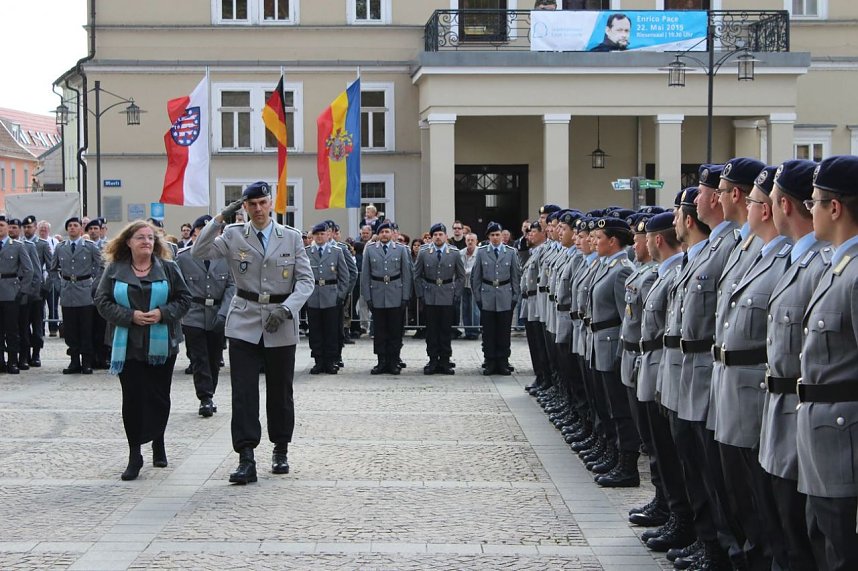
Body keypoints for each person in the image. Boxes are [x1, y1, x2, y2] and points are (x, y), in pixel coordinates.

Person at [192, 181, 313, 485]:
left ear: (271, 203)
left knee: (280, 391)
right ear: (243, 207)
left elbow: (305, 282)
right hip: (244, 321)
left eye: (262, 203)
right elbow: (199, 251)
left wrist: (287, 309)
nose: (258, 209)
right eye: (251, 204)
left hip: (280, 319)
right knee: (243, 393)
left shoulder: (292, 237)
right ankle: (246, 456)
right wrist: (219, 218)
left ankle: (280, 448)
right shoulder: (233, 235)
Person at [758, 160, 823, 571]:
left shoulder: (823, 266)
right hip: (778, 412)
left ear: (783, 205)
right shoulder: (796, 260)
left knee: (801, 535)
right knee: (780, 524)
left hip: (806, 418)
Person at [797, 155, 858, 569]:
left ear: (834, 208)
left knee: (842, 554)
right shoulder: (837, 266)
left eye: (814, 202)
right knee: (823, 545)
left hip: (844, 445)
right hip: (821, 439)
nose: (810, 210)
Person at [95, 220, 190, 481]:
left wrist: (162, 313)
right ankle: (135, 453)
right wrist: (129, 316)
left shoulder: (168, 268)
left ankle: (157, 439)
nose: (146, 242)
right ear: (128, 242)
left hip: (162, 344)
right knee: (134, 398)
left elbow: (184, 299)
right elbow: (101, 300)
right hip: (128, 345)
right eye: (140, 237)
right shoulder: (115, 269)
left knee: (159, 396)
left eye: (150, 238)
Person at [176, 215, 234, 418]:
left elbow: (232, 286)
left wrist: (225, 311)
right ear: (195, 233)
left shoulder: (226, 258)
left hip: (217, 312)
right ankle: (205, 397)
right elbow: (179, 287)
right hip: (194, 314)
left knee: (214, 357)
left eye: (215, 231)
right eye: (203, 230)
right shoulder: (183, 257)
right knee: (199, 357)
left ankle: (210, 392)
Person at [51, 217, 102, 374]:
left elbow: (100, 266)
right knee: (71, 328)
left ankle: (87, 362)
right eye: (70, 226)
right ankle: (74, 361)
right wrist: (59, 285)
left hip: (85, 290)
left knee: (86, 328)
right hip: (67, 291)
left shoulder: (90, 246)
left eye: (75, 226)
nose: (72, 228)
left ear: (81, 229)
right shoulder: (60, 247)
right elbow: (53, 269)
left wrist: (93, 284)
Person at [361, 220, 413, 375]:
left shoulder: (401, 249)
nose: (384, 235)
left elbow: (407, 275)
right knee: (380, 331)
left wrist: (405, 296)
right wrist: (368, 297)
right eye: (382, 232)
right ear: (378, 234)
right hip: (377, 294)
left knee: (395, 330)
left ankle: (394, 360)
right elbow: (365, 275)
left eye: (387, 232)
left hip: (395, 293)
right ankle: (381, 361)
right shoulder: (370, 250)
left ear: (392, 234)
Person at [471, 221, 520, 375]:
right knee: (489, 332)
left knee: (504, 332)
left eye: (497, 234)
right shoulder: (482, 252)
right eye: (492, 235)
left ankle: (503, 361)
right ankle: (490, 361)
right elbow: (475, 277)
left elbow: (516, 276)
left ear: (502, 236)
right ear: (488, 237)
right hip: (487, 296)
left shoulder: (510, 252)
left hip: (505, 296)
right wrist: (478, 297)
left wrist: (514, 297)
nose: (495, 238)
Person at [415, 223, 464, 374]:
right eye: (435, 235)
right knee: (431, 330)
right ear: (431, 237)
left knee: (445, 330)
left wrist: (456, 293)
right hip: (430, 294)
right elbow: (417, 275)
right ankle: (432, 360)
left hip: (447, 294)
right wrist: (421, 294)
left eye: (440, 234)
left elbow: (461, 276)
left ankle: (445, 360)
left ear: (445, 236)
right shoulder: (424, 252)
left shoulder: (454, 253)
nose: (438, 237)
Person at [306, 222, 349, 374]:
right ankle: (318, 360)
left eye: (322, 234)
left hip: (331, 296)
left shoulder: (336, 252)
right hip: (313, 296)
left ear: (327, 235)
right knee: (315, 331)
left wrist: (341, 295)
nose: (319, 237)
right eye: (316, 234)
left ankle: (331, 361)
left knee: (331, 331)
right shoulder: (307, 252)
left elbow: (345, 276)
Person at [0, 216, 34, 374]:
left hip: (11, 291)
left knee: (12, 329)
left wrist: (23, 291)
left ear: (7, 228)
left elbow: (29, 270)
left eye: (2, 225)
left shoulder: (17, 246)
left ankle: (13, 361)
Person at [7, 219, 41, 371]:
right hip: (9, 292)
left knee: (24, 326)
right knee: (12, 326)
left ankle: (25, 357)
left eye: (14, 228)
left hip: (23, 292)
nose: (11, 230)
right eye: (10, 227)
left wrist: (29, 292)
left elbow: (35, 272)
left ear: (19, 230)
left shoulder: (27, 246)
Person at [21, 215, 51, 366]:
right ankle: (25, 353)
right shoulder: (20, 244)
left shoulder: (42, 244)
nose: (27, 229)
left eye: (30, 227)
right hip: (24, 291)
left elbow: (51, 266)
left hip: (38, 291)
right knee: (24, 323)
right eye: (25, 227)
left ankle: (36, 353)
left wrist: (46, 287)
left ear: (35, 228)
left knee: (37, 323)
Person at [459, 232, 481, 340]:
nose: (470, 242)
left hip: (475, 285)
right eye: (468, 240)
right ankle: (467, 331)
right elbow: (459, 269)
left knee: (474, 309)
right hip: (464, 285)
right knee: (465, 309)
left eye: (472, 240)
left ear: (476, 241)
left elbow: (475, 270)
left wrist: (465, 271)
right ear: (465, 241)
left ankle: (475, 331)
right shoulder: (461, 253)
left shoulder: (480, 253)